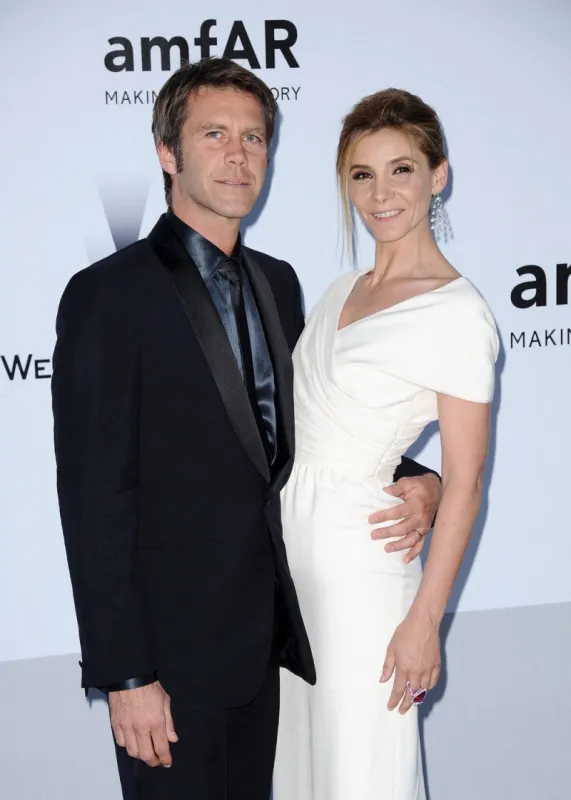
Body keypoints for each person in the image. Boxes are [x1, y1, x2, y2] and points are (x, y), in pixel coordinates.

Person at [51, 60, 440, 800]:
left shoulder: (279, 281)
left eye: (254, 138)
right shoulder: (109, 294)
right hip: (170, 663)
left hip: (276, 648)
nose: (238, 156)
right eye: (214, 135)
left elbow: (307, 431)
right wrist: (127, 674)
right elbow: (94, 498)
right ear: (168, 154)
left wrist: (420, 480)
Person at [273, 88, 499, 800]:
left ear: (438, 175)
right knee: (301, 771)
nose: (379, 193)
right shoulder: (340, 288)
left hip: (362, 577)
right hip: (285, 570)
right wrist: (420, 480)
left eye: (400, 170)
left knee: (359, 771)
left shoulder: (456, 312)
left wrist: (424, 621)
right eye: (361, 175)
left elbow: (464, 479)